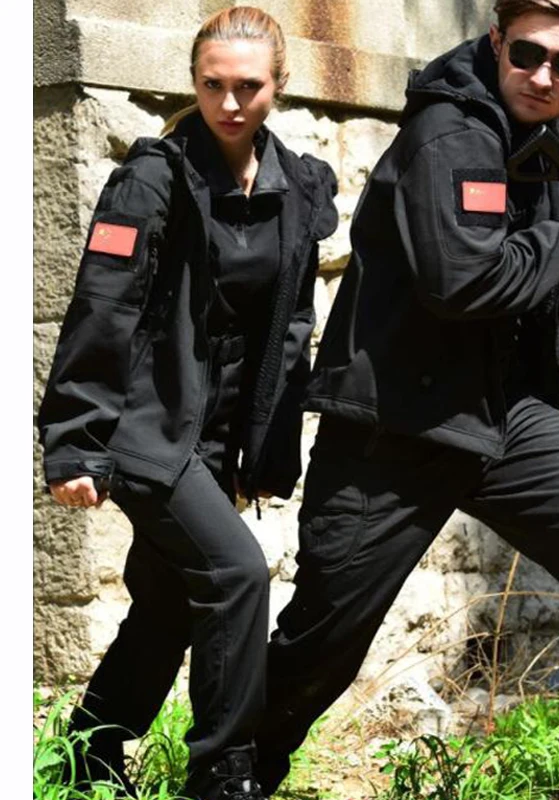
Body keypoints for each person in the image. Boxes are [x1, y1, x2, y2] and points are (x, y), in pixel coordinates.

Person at [252, 2, 559, 800]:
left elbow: (532, 297)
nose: (544, 76)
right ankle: (231, 773)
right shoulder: (449, 134)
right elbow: (464, 282)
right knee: (324, 640)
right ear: (496, 42)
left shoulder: (552, 146)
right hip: (396, 423)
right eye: (527, 54)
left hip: (506, 416)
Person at [36, 7, 338, 799]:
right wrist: (75, 439)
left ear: (277, 86)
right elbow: (102, 307)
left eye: (248, 87)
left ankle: (85, 759)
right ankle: (223, 776)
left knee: (169, 603)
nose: (229, 103)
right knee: (237, 575)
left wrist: (263, 451)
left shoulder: (297, 186)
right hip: (147, 425)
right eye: (213, 85)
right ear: (194, 84)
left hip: (213, 437)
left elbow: (290, 327)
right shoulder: (153, 178)